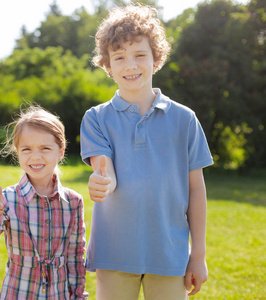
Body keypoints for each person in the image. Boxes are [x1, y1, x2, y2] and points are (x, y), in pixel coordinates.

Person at [80, 4, 213, 300]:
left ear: (156, 59)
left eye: (140, 55)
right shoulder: (96, 118)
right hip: (114, 252)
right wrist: (102, 182)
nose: (131, 65)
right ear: (107, 66)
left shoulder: (185, 119)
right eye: (119, 57)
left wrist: (199, 254)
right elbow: (105, 169)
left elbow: (196, 190)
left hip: (170, 253)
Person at [0, 106, 88, 299]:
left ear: (60, 152)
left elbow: (75, 257)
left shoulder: (73, 202)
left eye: (45, 148)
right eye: (26, 149)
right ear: (17, 152)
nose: (35, 156)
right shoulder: (8, 199)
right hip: (18, 293)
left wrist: (78, 295)